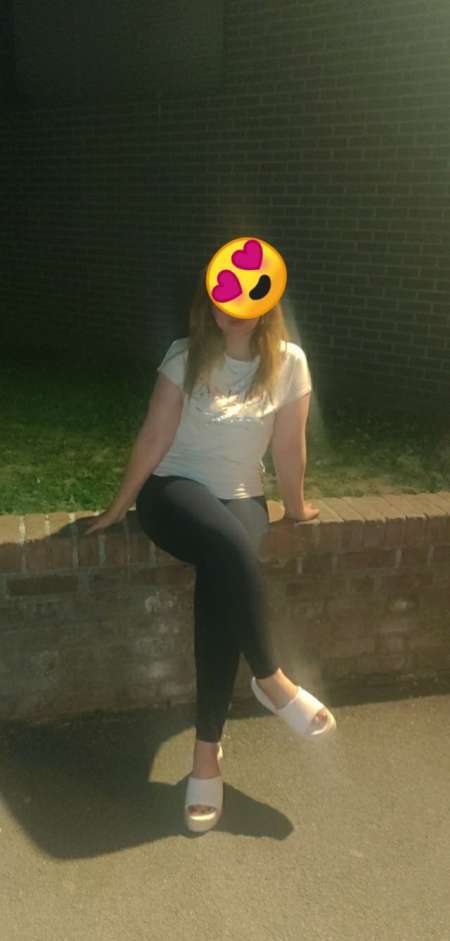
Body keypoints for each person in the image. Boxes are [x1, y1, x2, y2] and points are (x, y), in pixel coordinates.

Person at [85, 264, 336, 832]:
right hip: (174, 491)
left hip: (242, 496)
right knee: (231, 550)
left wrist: (296, 507)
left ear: (266, 302)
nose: (231, 309)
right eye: (221, 297)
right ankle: (270, 679)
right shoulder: (184, 356)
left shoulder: (290, 363)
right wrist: (120, 507)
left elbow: (289, 447)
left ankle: (206, 757)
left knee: (223, 579)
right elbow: (154, 435)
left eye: (244, 296)